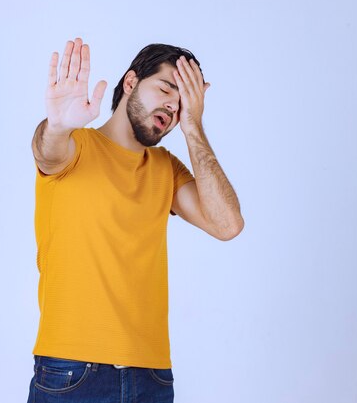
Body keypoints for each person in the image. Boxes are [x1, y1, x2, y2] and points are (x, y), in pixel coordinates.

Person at [26, 37, 244, 403]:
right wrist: (58, 125)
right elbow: (47, 153)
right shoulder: (75, 146)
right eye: (166, 88)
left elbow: (228, 225)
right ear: (131, 83)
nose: (172, 106)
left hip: (151, 376)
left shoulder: (165, 170)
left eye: (182, 102)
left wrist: (193, 125)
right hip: (72, 371)